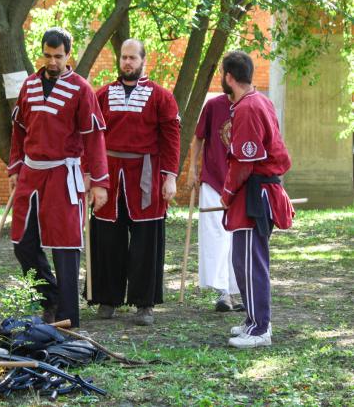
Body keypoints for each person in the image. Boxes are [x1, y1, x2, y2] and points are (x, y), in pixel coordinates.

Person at [7, 27, 109, 328]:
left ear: (69, 54)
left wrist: (100, 182)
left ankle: (67, 317)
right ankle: (49, 297)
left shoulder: (81, 89)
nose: (52, 62)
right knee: (22, 242)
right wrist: (15, 168)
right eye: (48, 55)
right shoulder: (28, 86)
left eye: (58, 56)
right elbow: (19, 131)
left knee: (65, 245)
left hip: (64, 174)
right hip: (31, 174)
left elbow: (94, 136)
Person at [87, 39, 181, 326]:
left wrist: (170, 177)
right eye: (124, 58)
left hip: (147, 175)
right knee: (107, 238)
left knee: (146, 241)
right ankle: (107, 298)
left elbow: (171, 139)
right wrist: (92, 177)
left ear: (143, 61)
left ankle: (144, 303)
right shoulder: (102, 94)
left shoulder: (161, 97)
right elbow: (91, 138)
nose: (127, 62)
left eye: (132, 58)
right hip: (110, 175)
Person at [219, 50, 294, 348]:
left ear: (228, 77)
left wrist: (226, 193)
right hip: (254, 190)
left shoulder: (249, 108)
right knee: (243, 258)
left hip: (254, 193)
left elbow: (244, 162)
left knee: (251, 261)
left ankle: (260, 328)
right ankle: (253, 320)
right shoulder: (258, 100)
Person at [187, 94, 244, 312]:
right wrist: (192, 168)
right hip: (214, 179)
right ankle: (223, 292)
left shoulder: (254, 103)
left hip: (242, 182)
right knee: (216, 235)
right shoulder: (212, 106)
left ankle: (238, 291)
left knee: (239, 235)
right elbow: (199, 137)